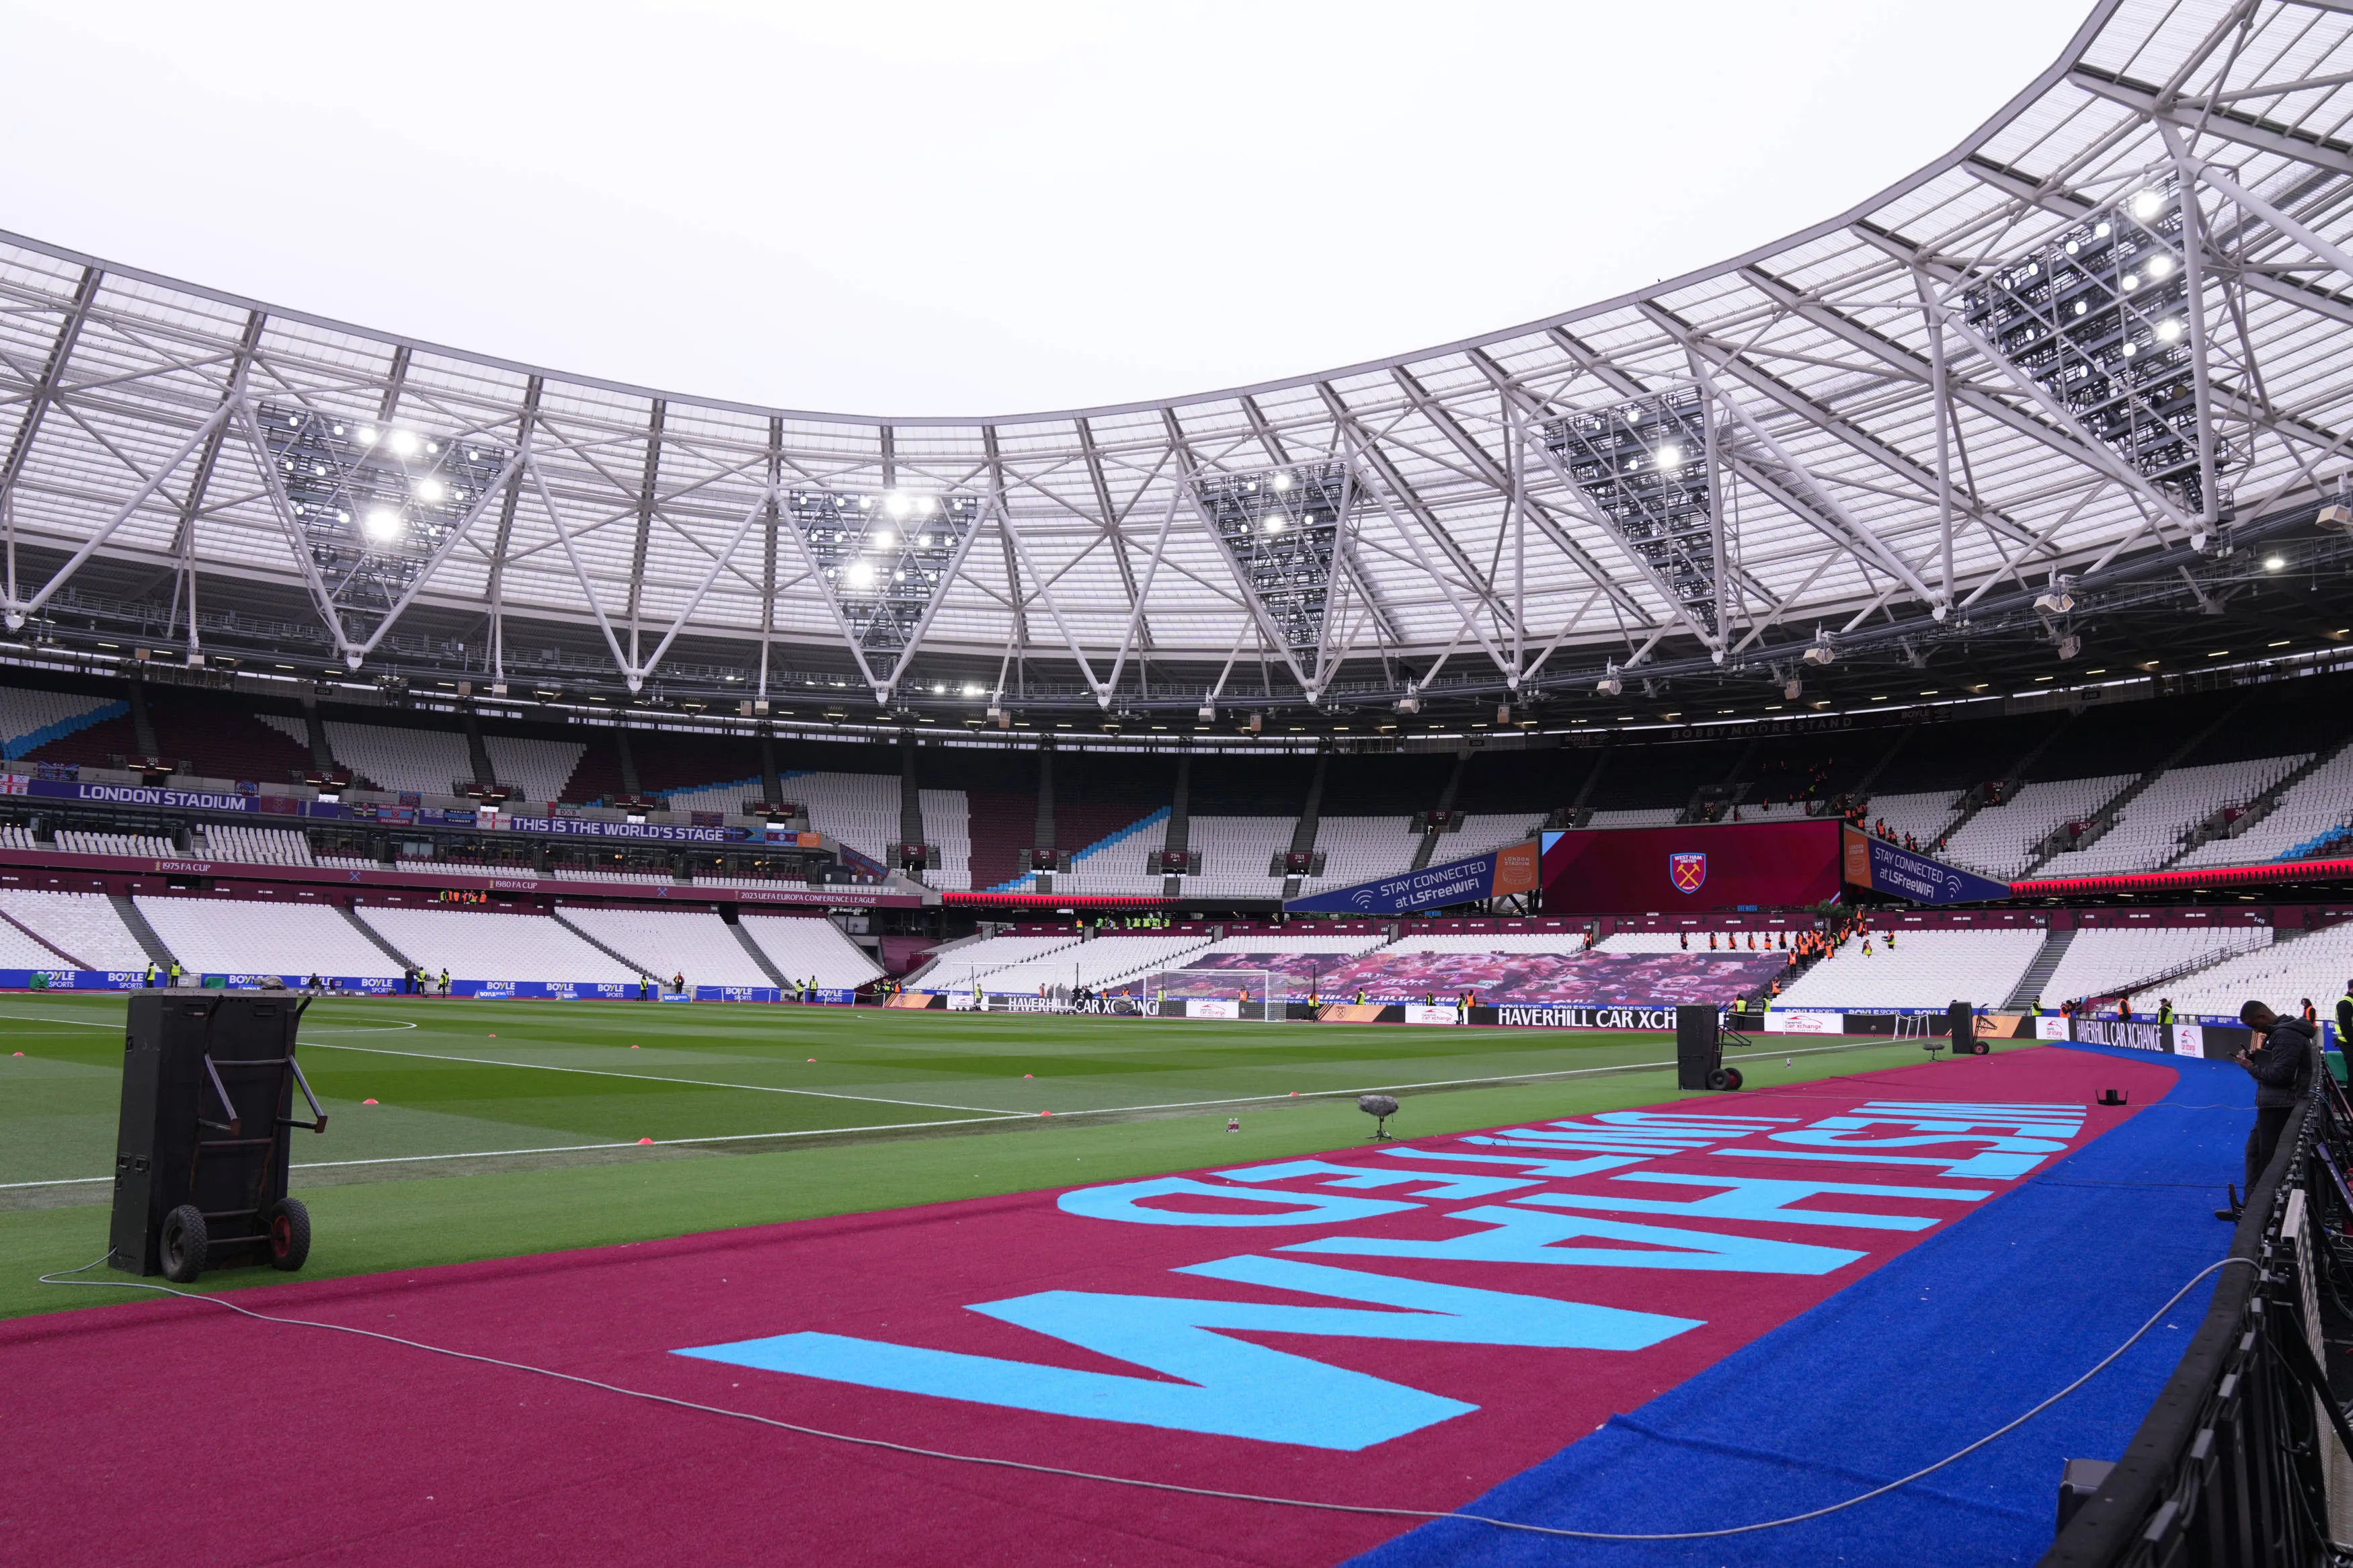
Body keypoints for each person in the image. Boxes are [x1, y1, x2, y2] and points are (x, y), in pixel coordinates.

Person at [2221, 1000, 2315, 1219]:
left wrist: (2249, 1066)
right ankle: (2251, 1207)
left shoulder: (2286, 1035)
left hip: (2279, 1105)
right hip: (2275, 1103)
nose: (2256, 1031)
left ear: (2263, 1016)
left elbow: (2281, 1075)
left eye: (2254, 1025)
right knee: (2254, 1152)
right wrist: (2256, 1060)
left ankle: (2263, 1213)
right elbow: (2280, 1065)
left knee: (2267, 1160)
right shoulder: (2284, 1033)